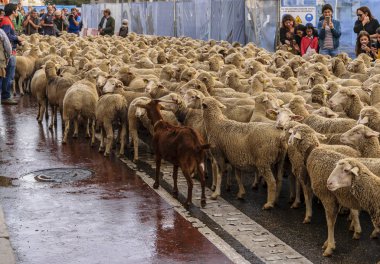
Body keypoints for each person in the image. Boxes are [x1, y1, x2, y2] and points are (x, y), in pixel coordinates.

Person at [0, 3, 23, 105]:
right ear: (13, 11)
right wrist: (17, 38)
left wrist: (18, 41)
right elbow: (5, 36)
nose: (17, 12)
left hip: (10, 51)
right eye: (17, 10)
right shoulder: (6, 21)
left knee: (8, 74)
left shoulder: (8, 20)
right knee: (9, 75)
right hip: (9, 53)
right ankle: (5, 96)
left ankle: (6, 95)